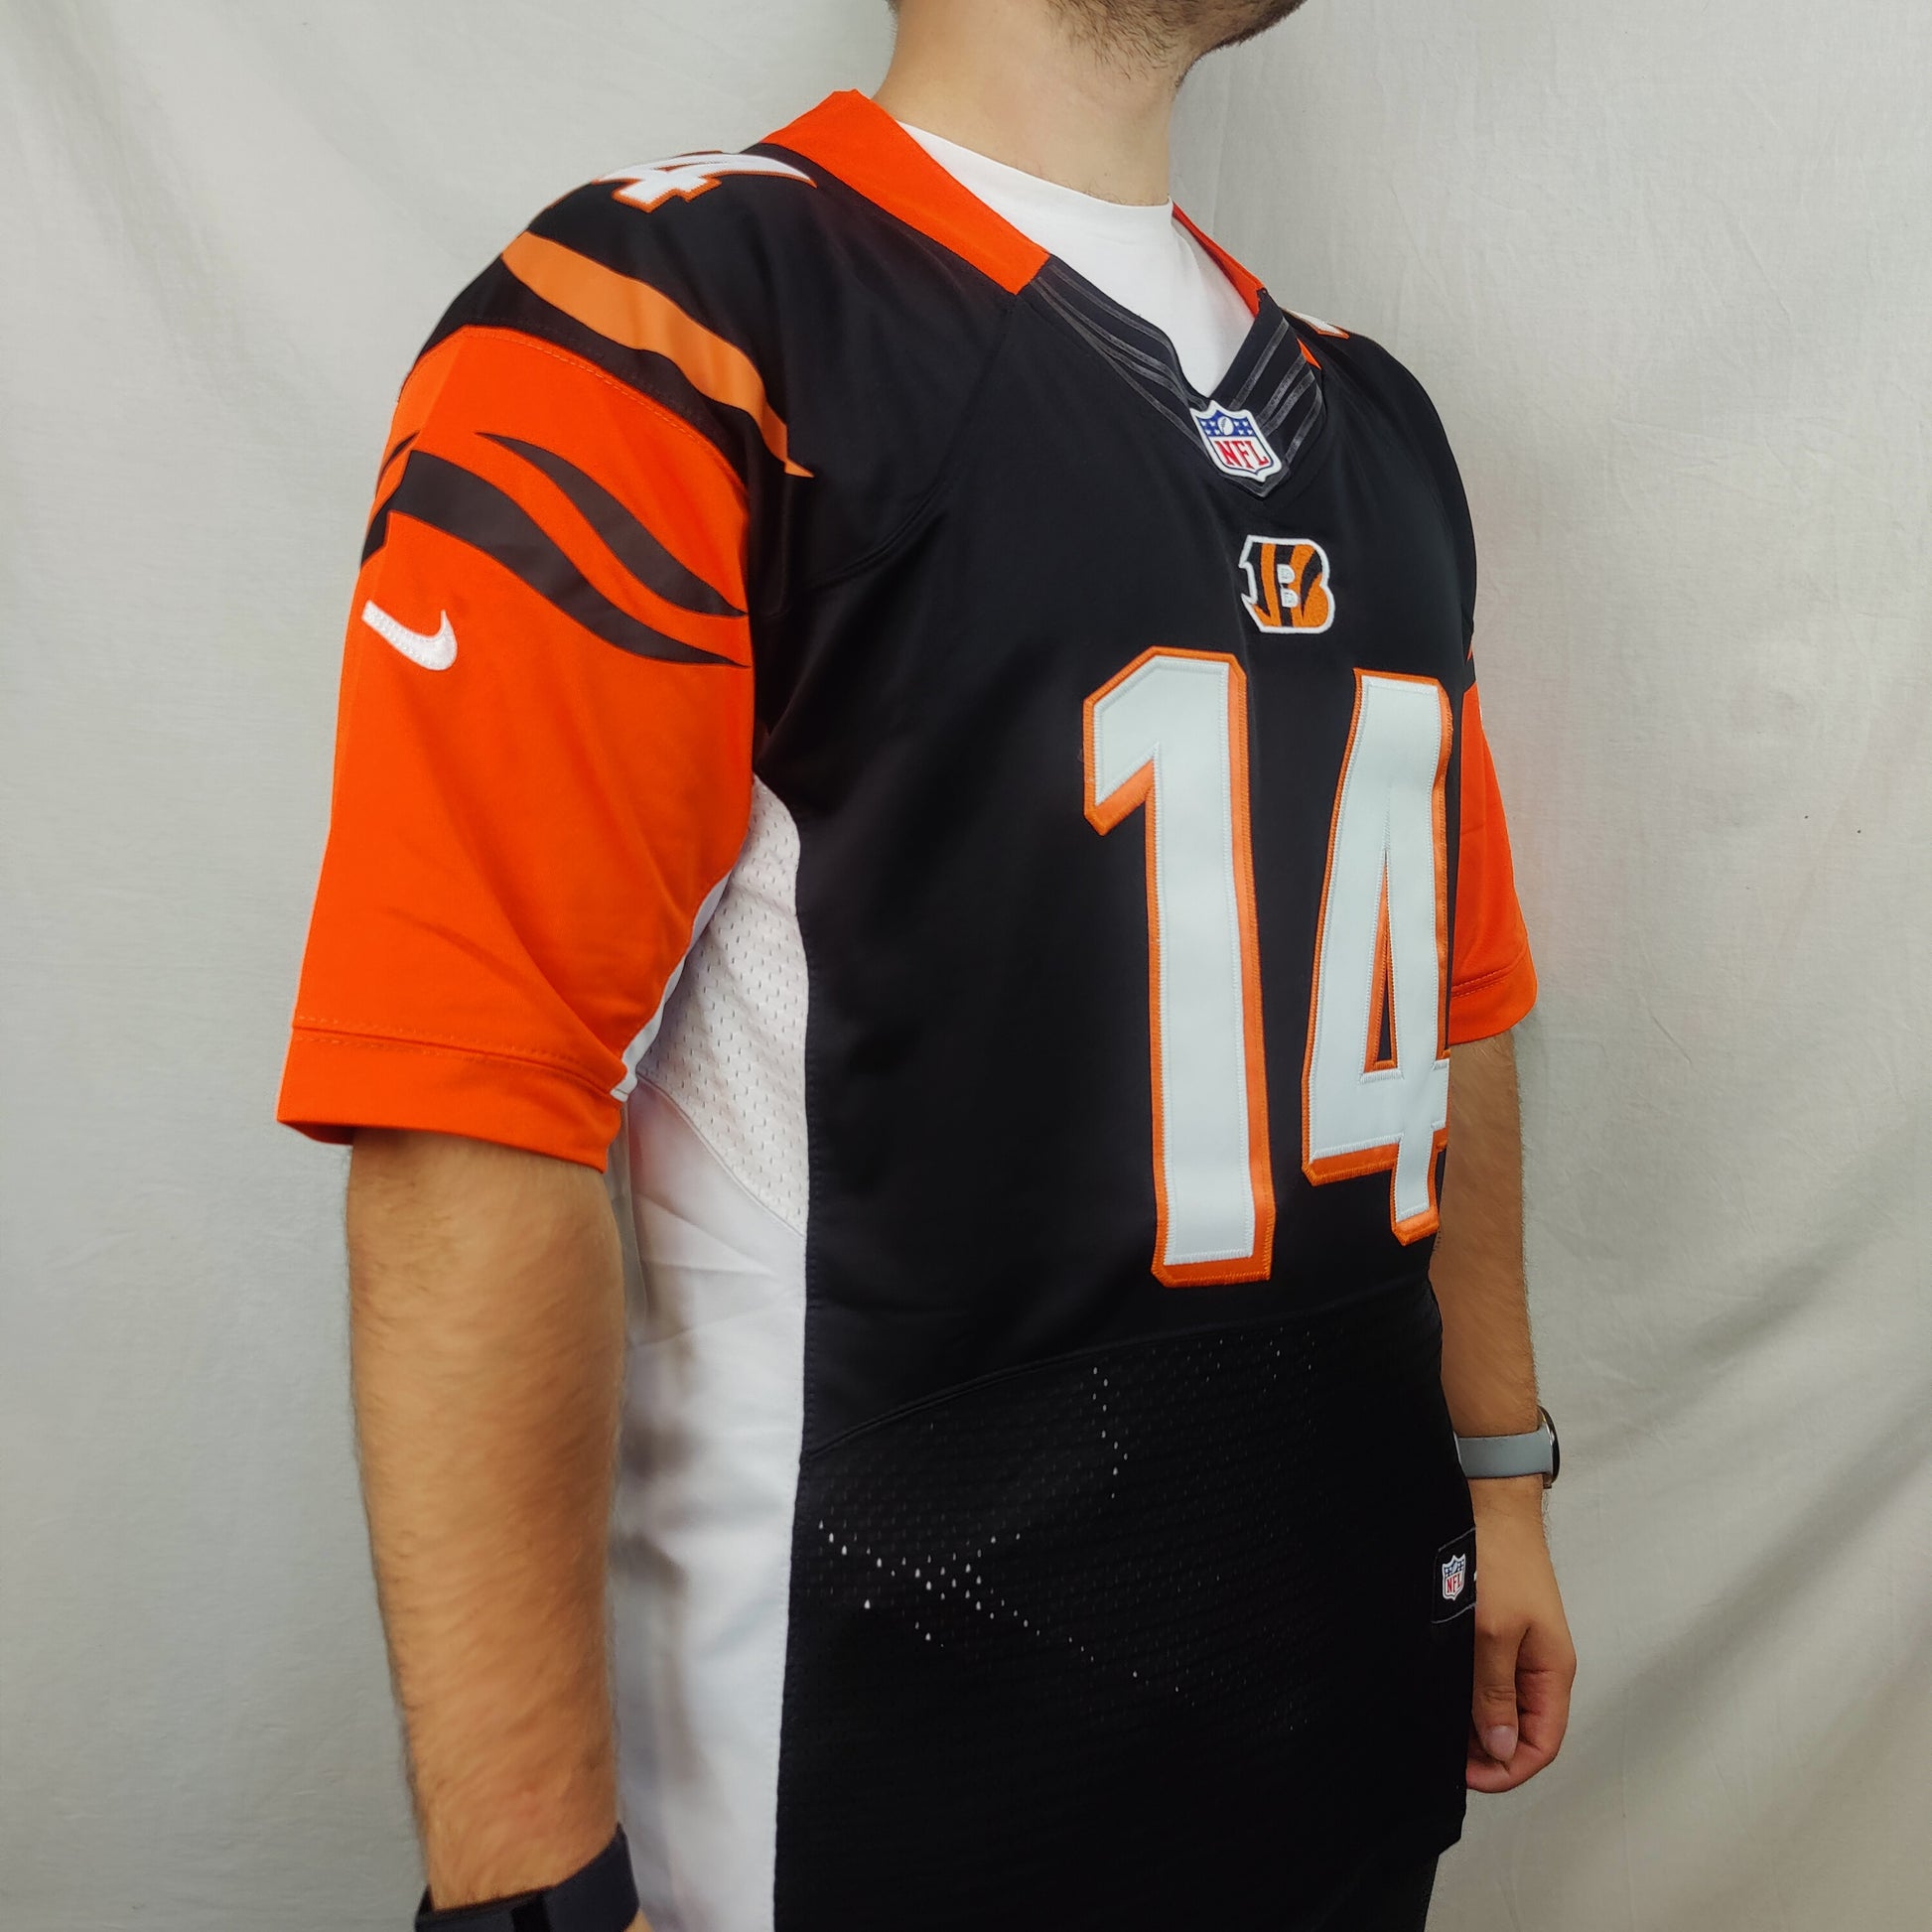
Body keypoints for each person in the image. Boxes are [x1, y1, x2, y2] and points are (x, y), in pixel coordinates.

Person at [277, 0, 1577, 1926]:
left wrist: (1499, 1470)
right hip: (879, 1754)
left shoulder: (1373, 423)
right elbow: (470, 1110)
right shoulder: (666, 318)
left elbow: (1452, 1003)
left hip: (1335, 1691)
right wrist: (520, 1878)